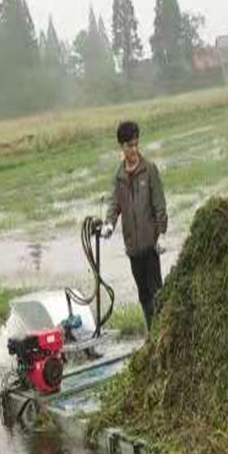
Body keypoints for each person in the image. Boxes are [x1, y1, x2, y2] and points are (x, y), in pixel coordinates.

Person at [102, 121, 167, 331]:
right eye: (130, 145)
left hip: (150, 245)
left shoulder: (149, 170)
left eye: (136, 144)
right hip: (133, 248)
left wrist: (162, 234)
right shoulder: (119, 177)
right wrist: (109, 225)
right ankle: (152, 335)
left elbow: (159, 204)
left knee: (157, 294)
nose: (134, 149)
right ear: (121, 147)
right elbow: (114, 204)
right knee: (143, 296)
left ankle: (163, 334)